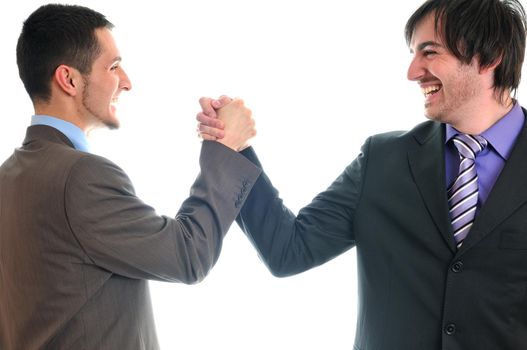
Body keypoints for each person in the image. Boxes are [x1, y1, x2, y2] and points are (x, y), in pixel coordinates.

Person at [198, 0, 527, 348]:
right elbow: (288, 250)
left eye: (429, 52)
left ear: (491, 57)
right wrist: (235, 147)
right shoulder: (383, 160)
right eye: (414, 54)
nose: (413, 72)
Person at [0, 4, 260, 350]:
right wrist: (225, 148)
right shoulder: (81, 176)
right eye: (114, 66)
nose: (127, 82)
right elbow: (188, 254)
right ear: (70, 79)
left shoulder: (8, 177)